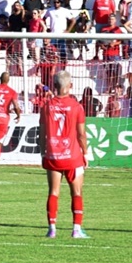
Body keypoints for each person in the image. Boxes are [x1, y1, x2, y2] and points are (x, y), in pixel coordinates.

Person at [38, 70, 90, 240]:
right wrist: (85, 152)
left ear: (54, 86)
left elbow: (42, 132)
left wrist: (42, 152)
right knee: (76, 192)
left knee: (53, 191)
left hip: (53, 155)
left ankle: (52, 228)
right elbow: (81, 134)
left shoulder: (46, 106)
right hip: (73, 156)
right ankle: (76, 229)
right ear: (71, 86)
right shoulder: (76, 107)